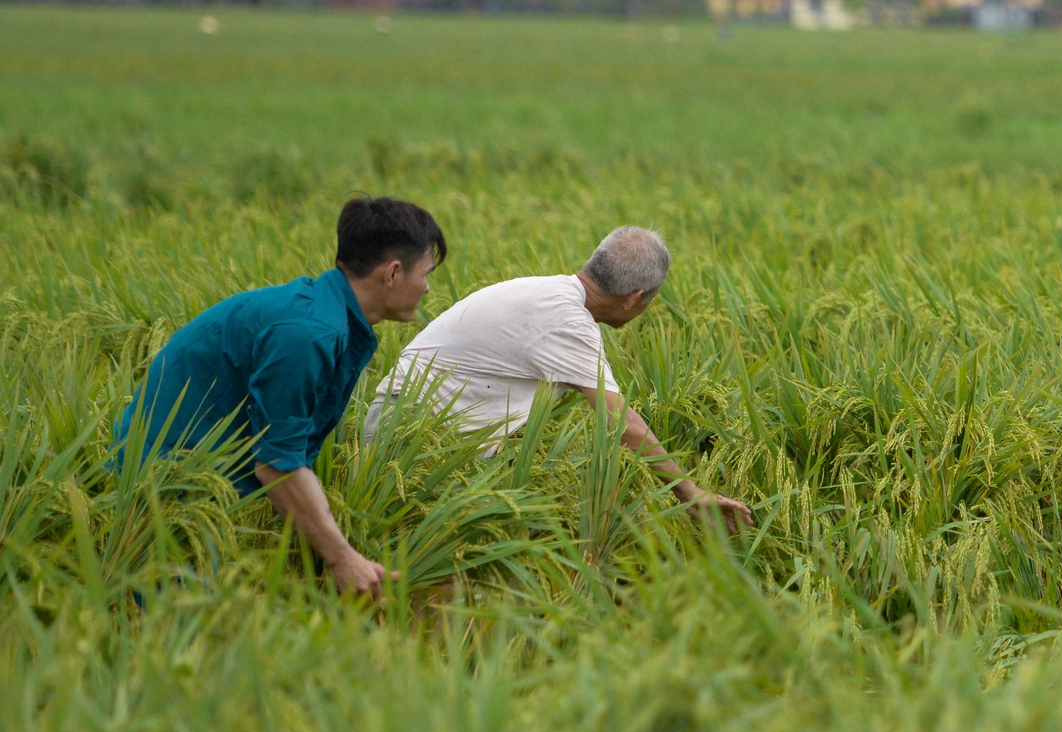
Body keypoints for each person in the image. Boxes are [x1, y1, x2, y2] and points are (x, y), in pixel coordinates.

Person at [115, 196, 446, 597]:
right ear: (393, 273)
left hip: (202, 473)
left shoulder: (324, 317)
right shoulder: (308, 333)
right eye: (426, 273)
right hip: (168, 485)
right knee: (181, 626)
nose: (427, 287)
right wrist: (342, 558)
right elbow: (276, 464)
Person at [363, 225, 751, 528]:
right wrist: (690, 492)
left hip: (415, 429)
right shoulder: (567, 322)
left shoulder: (548, 294)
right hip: (410, 435)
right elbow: (621, 422)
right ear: (634, 297)